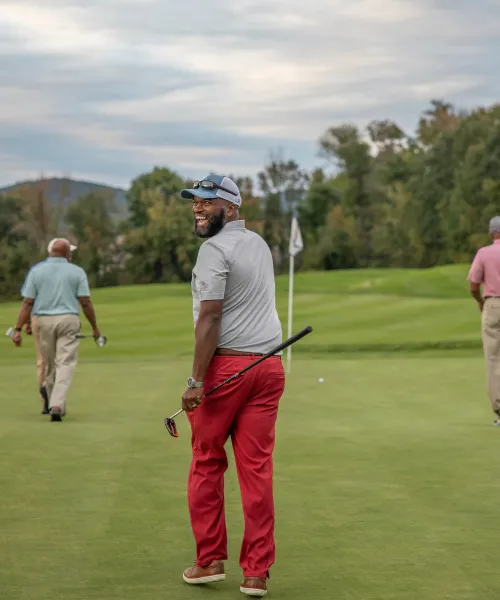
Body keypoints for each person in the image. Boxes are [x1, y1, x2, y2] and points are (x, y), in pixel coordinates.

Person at [178, 174, 285, 597]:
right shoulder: (257, 243)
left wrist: (195, 381)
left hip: (226, 370)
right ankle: (256, 572)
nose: (199, 208)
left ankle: (208, 561)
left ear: (232, 208)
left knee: (206, 461)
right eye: (195, 202)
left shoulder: (213, 250)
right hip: (268, 367)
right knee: (256, 469)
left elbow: (210, 319)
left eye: (208, 201)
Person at [11, 238, 101, 422]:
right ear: (68, 254)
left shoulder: (36, 271)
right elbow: (85, 302)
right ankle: (57, 404)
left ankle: (55, 404)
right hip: (68, 319)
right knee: (64, 363)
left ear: (50, 252)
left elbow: (27, 303)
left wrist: (18, 329)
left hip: (43, 321)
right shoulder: (77, 271)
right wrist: (94, 327)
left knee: (50, 365)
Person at [22, 239, 78, 414]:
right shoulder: (70, 270)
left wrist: (23, 324)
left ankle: (50, 398)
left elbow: (28, 300)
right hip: (48, 317)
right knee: (53, 361)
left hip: (41, 318)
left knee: (47, 361)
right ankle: (50, 398)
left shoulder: (39, 270)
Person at [467, 216, 500, 425]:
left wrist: (480, 302)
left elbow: (473, 285)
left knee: (493, 358)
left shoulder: (484, 253)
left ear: (491, 233)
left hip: (493, 306)